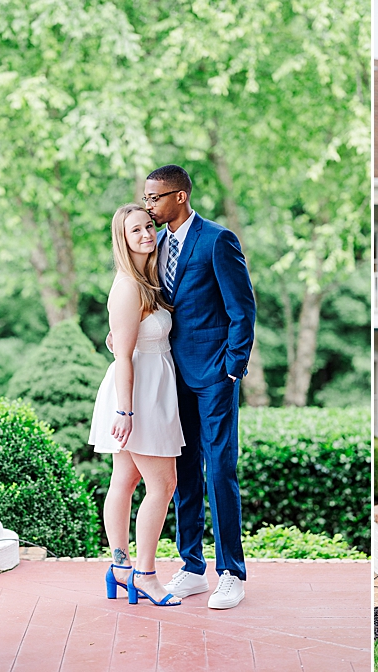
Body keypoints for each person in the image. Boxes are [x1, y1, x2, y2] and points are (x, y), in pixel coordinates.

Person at [144, 165, 256, 610]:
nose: (149, 205)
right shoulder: (155, 245)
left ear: (181, 197)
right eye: (147, 198)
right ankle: (192, 567)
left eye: (155, 198)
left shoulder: (217, 240)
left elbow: (242, 308)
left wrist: (233, 367)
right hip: (169, 378)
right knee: (182, 473)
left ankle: (232, 573)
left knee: (220, 470)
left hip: (213, 376)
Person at [90, 203, 184, 607]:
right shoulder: (127, 287)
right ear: (122, 240)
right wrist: (126, 412)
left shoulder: (149, 281)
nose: (147, 234)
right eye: (136, 231)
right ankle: (144, 574)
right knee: (163, 484)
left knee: (126, 480)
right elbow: (123, 357)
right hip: (137, 394)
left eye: (149, 226)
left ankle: (119, 568)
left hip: (153, 387)